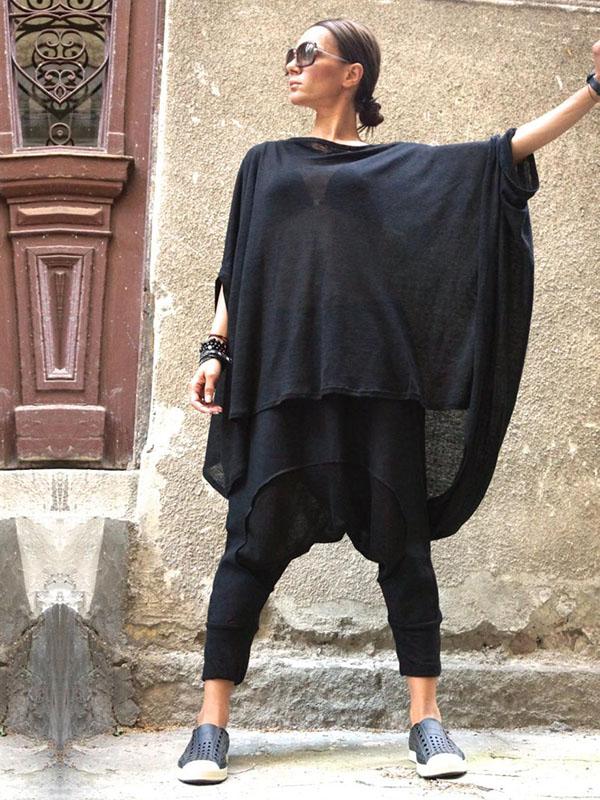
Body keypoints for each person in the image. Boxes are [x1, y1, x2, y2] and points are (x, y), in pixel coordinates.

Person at [177, 17, 600, 786]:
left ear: (352, 75)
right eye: (289, 53)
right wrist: (215, 349)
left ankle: (426, 722)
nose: (292, 64)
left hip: (379, 381)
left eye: (309, 53)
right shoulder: (264, 164)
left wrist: (594, 90)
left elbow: (501, 155)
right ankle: (210, 727)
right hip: (284, 382)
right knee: (250, 544)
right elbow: (239, 267)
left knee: (405, 550)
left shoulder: (399, 170)